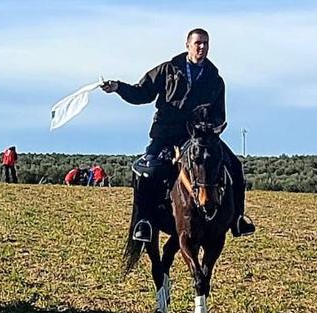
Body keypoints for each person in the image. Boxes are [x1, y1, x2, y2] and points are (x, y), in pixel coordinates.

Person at [101, 28, 255, 242]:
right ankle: (144, 222)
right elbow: (141, 93)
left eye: (206, 43)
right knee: (147, 171)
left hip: (200, 137)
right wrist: (118, 87)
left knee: (235, 166)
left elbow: (220, 113)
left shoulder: (215, 79)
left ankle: (238, 218)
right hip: (166, 133)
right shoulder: (167, 69)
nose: (202, 47)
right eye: (198, 43)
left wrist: (211, 128)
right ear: (187, 45)